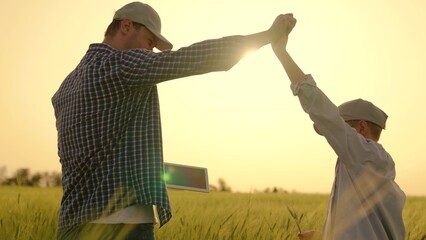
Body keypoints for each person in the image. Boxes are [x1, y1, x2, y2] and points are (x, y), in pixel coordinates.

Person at [51, 1, 294, 239]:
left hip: (71, 226)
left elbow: (95, 158)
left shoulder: (65, 88)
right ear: (126, 26)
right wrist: (266, 36)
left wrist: (173, 174)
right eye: (149, 41)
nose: (150, 51)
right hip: (122, 225)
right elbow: (191, 58)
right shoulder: (120, 65)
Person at [271, 15, 406, 240]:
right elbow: (364, 231)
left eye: (340, 126)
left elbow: (320, 108)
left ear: (361, 127)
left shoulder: (366, 155)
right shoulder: (362, 166)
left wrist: (281, 53)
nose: (330, 135)